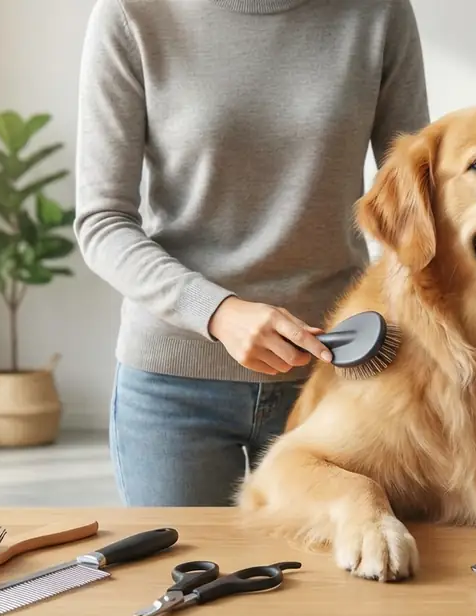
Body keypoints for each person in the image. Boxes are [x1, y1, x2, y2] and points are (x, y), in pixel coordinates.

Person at [73, 0, 430, 507]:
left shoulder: (377, 11)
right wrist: (217, 312)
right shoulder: (132, 14)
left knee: (343, 556)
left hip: (336, 371)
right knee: (187, 557)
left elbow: (418, 199)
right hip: (176, 386)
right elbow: (102, 222)